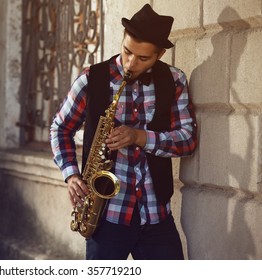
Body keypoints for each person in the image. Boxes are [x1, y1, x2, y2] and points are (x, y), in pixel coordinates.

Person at [50, 4, 197, 260]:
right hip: (106, 216)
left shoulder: (174, 80)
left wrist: (140, 137)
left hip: (156, 216)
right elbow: (60, 128)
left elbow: (188, 140)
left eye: (143, 58)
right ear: (122, 40)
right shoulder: (91, 79)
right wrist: (71, 175)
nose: (130, 64)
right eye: (127, 52)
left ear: (160, 54)